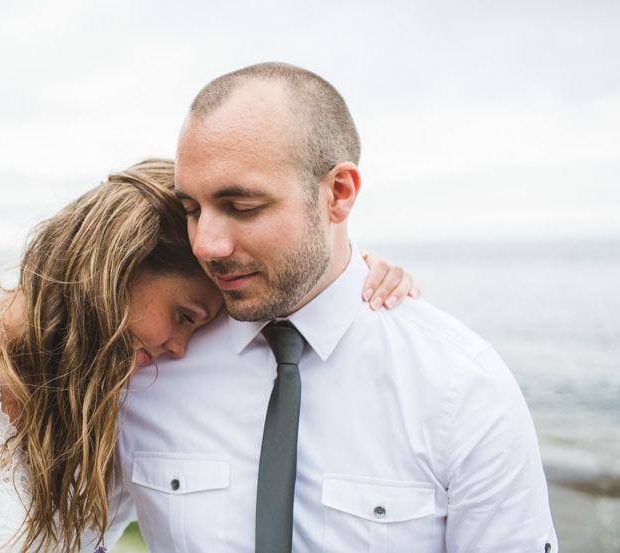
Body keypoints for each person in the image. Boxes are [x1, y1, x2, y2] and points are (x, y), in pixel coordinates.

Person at [0, 159, 416, 553]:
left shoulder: (109, 389)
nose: (179, 348)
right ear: (116, 265)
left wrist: (342, 274)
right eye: (185, 315)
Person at [97, 63, 558, 552]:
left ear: (338, 194)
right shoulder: (148, 370)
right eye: (191, 209)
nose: (206, 245)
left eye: (243, 206)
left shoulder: (460, 386)